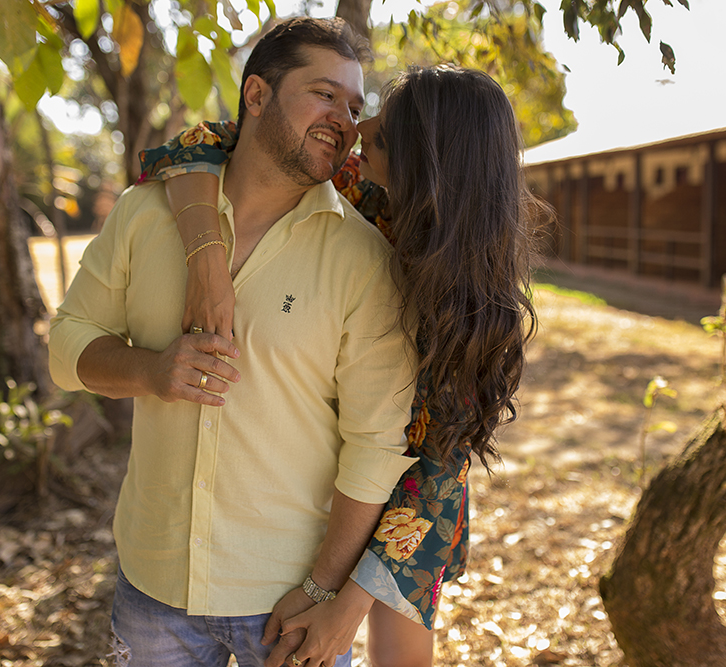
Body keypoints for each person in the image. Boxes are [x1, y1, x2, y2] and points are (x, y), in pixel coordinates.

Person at [48, 17, 421, 667]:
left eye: (355, 106)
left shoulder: (365, 256)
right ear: (256, 96)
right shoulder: (146, 213)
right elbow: (66, 343)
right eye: (325, 94)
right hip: (152, 585)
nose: (346, 118)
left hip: (286, 601)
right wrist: (150, 370)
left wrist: (323, 588)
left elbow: (376, 444)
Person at [138, 64, 538, 667]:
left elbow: (435, 473)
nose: (360, 125)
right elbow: (185, 148)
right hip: (336, 481)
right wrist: (207, 259)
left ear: (424, 162)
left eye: (381, 128)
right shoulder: (359, 193)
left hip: (414, 506)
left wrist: (340, 609)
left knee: (396, 639)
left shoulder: (476, 307)